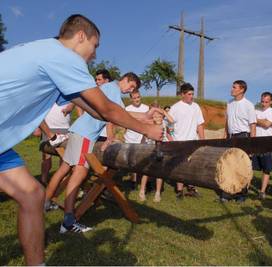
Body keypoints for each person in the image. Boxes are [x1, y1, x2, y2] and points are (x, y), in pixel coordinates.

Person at [0, 14, 162, 265]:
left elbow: (96, 110)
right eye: (95, 46)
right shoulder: (63, 57)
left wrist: (141, 122)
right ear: (80, 37)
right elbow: (106, 110)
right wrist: (146, 130)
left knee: (32, 195)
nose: (95, 55)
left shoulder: (49, 54)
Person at [45, 73, 154, 234]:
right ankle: (68, 222)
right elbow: (120, 115)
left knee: (64, 169)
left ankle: (43, 203)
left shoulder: (109, 88)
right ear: (125, 79)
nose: (129, 91)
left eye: (133, 90)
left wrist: (144, 117)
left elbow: (121, 114)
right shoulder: (113, 89)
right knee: (79, 173)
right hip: (86, 135)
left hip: (77, 131)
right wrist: (144, 120)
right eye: (131, 87)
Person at [221, 80, 256, 202]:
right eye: (232, 86)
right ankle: (228, 192)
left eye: (234, 87)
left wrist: (252, 144)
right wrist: (225, 135)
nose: (231, 89)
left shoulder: (249, 105)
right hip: (231, 137)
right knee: (229, 165)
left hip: (243, 137)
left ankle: (241, 194)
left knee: (242, 167)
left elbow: (252, 126)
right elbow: (227, 122)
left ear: (242, 89)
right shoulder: (229, 103)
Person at [169, 83, 205, 199]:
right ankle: (179, 191)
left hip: (193, 142)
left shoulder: (196, 107)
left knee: (192, 166)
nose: (191, 96)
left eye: (192, 94)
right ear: (182, 94)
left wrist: (202, 140)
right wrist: (172, 141)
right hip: (179, 141)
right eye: (189, 94)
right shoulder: (175, 108)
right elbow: (167, 125)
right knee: (180, 167)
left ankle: (192, 188)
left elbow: (200, 124)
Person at [138, 103, 174, 202]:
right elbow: (143, 133)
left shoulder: (164, 123)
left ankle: (158, 193)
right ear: (152, 116)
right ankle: (142, 191)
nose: (158, 117)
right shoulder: (149, 123)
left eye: (160, 115)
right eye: (155, 115)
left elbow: (171, 120)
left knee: (159, 171)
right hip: (150, 148)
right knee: (147, 171)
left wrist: (164, 112)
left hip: (162, 148)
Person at [39, 103, 74, 185]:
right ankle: (43, 180)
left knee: (64, 157)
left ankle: (62, 180)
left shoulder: (68, 92)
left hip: (65, 128)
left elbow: (76, 101)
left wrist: (71, 106)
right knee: (46, 157)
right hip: (48, 128)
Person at [253, 92, 272, 199]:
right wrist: (261, 121)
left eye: (266, 102)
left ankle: (262, 191)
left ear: (271, 102)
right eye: (262, 101)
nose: (264, 104)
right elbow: (254, 123)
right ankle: (245, 187)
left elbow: (267, 124)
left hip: (267, 143)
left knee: (266, 169)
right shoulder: (255, 111)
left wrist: (255, 120)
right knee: (251, 167)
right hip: (255, 142)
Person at [123, 90, 150, 189]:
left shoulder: (147, 108)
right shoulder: (127, 109)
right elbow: (124, 124)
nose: (137, 99)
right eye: (134, 98)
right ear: (131, 99)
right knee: (132, 161)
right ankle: (133, 181)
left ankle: (145, 182)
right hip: (130, 138)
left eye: (138, 97)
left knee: (144, 160)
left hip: (144, 139)